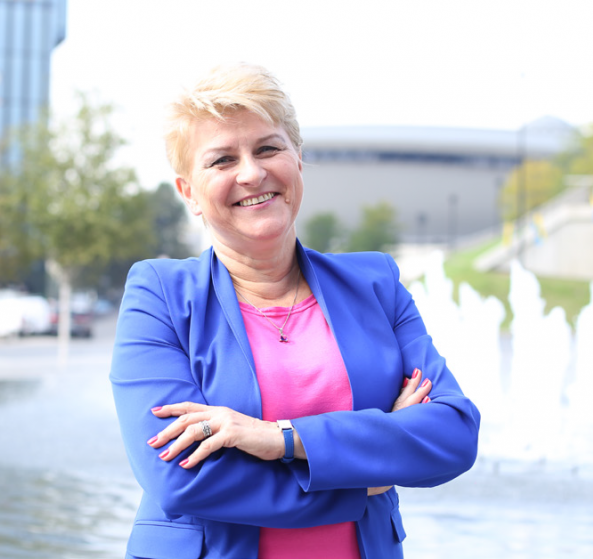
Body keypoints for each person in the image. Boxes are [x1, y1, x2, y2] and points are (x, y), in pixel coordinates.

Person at [110, 63, 480, 559]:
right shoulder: (159, 295)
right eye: (222, 160)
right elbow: (180, 477)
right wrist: (364, 477)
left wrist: (280, 438)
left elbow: (453, 434)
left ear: (298, 159)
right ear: (189, 193)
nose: (251, 173)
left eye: (268, 148)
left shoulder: (374, 284)